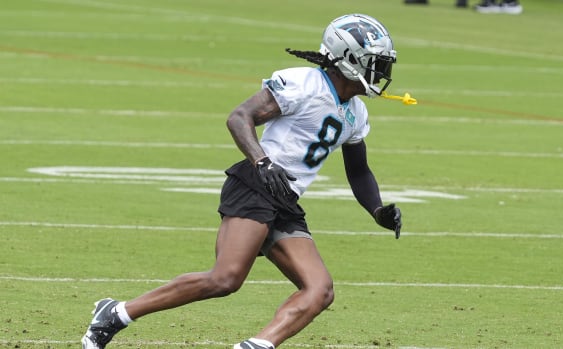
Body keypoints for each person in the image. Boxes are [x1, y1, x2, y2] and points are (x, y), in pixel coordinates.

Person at [81, 13, 403, 349]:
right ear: (348, 59)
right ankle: (116, 313)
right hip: (255, 184)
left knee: (320, 290)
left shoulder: (356, 113)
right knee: (225, 279)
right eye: (375, 64)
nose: (380, 73)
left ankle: (257, 345)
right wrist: (262, 162)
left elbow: (359, 170)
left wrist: (377, 210)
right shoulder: (305, 83)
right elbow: (240, 117)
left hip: (285, 197)